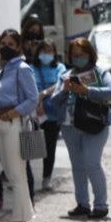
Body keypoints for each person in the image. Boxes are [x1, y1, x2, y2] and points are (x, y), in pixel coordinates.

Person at [51, 37, 111, 219]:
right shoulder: (65, 75)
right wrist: (65, 90)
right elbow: (54, 101)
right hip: (70, 126)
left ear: (90, 54)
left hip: (95, 124)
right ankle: (82, 204)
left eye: (82, 54)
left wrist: (87, 91)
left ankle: (101, 205)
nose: (78, 58)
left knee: (92, 163)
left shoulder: (100, 73)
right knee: (78, 166)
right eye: (75, 55)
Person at [0, 29, 40, 222]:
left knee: (17, 175)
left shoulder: (22, 68)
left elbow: (32, 99)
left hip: (14, 123)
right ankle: (19, 220)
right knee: (10, 174)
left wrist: (13, 112)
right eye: (3, 43)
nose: (5, 47)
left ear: (18, 46)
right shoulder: (2, 70)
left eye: (10, 43)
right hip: (0, 123)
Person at [32, 39, 66, 192]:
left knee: (49, 147)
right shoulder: (31, 68)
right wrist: (36, 101)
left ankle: (46, 179)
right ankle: (27, 178)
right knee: (30, 146)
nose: (46, 54)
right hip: (34, 112)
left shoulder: (60, 67)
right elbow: (29, 86)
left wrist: (43, 94)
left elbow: (61, 83)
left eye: (49, 51)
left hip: (52, 113)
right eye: (43, 51)